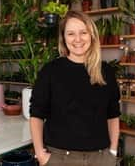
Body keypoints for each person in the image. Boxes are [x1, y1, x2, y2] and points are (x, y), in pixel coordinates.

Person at [30, 11, 120, 166]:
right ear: (63, 38)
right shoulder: (50, 71)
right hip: (60, 159)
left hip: (101, 159)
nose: (78, 39)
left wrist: (112, 152)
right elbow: (36, 114)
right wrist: (40, 154)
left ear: (91, 35)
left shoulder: (106, 71)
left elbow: (113, 115)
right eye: (71, 34)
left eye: (83, 32)